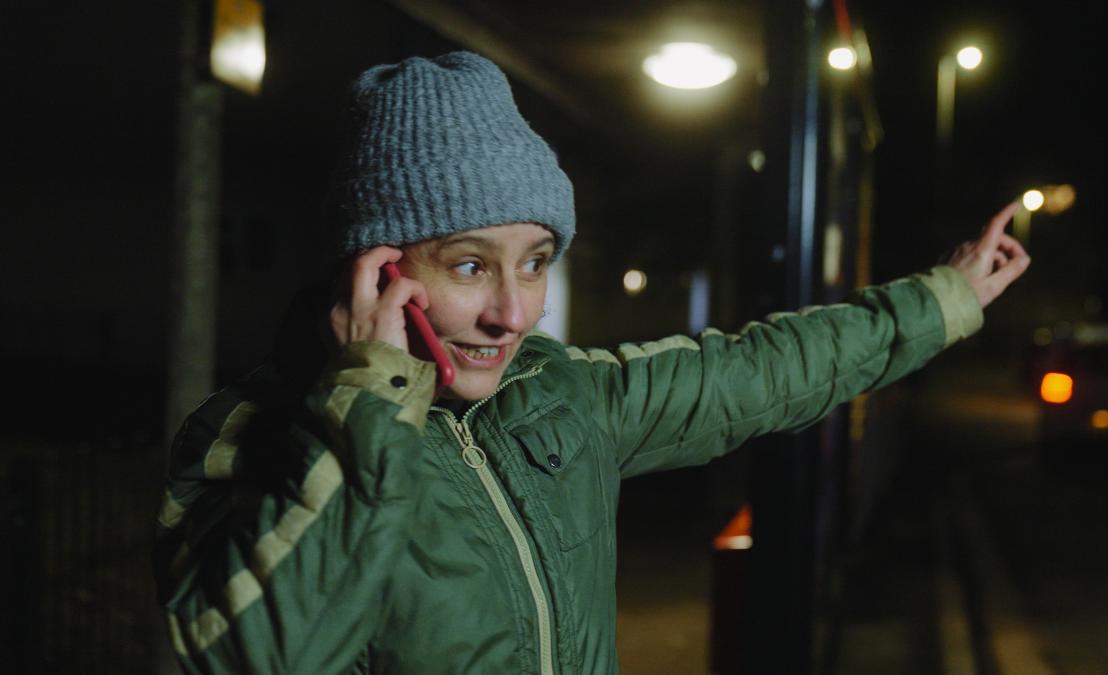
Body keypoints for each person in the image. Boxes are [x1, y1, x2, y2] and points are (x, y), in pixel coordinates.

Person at [153, 51, 1029, 674]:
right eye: (470, 264)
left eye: (535, 260)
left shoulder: (558, 392)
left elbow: (763, 370)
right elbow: (257, 653)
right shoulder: (248, 440)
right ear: (374, 269)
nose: (514, 311)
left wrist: (943, 300)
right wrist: (363, 402)